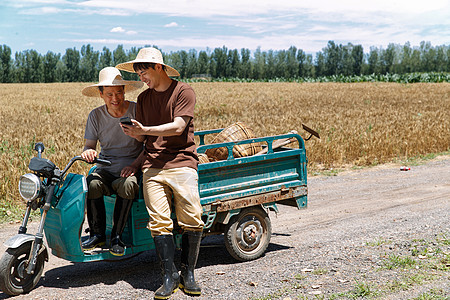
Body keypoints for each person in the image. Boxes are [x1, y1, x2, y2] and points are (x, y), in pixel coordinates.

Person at [116, 47, 204, 299]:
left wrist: (146, 130)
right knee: (159, 221)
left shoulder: (183, 91)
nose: (142, 79)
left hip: (182, 162)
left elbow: (178, 127)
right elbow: (146, 138)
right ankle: (169, 276)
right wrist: (136, 133)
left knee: (193, 217)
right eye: (139, 74)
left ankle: (188, 274)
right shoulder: (144, 99)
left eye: (144, 73)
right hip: (152, 166)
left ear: (159, 67)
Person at [80, 67, 143, 256]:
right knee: (92, 183)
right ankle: (98, 234)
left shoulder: (136, 110)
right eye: (109, 94)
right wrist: (89, 152)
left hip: (131, 167)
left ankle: (117, 237)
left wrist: (134, 165)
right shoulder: (95, 116)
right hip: (106, 167)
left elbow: (149, 144)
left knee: (128, 186)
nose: (115, 98)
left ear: (124, 91)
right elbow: (89, 145)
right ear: (101, 95)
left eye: (118, 92)